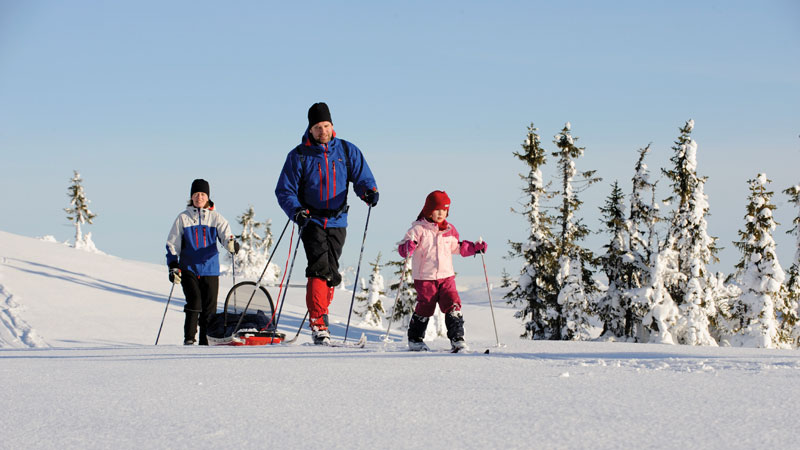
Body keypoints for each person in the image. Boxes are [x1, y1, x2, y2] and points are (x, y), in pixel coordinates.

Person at [275, 102, 379, 345]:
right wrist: (296, 211)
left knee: (331, 273)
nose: (322, 131)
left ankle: (322, 317)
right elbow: (284, 190)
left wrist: (368, 192)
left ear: (332, 126)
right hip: (311, 219)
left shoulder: (346, 150)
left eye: (326, 125)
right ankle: (318, 323)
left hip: (338, 219)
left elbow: (362, 177)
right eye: (317, 127)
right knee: (318, 267)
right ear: (310, 130)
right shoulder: (298, 155)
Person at [397, 190, 487, 351]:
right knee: (426, 307)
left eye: (445, 210)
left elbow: (458, 247)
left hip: (446, 277)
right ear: (428, 209)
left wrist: (475, 249)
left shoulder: (449, 230)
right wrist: (408, 247)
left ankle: (457, 338)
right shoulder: (418, 229)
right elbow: (403, 249)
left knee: (453, 304)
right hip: (425, 277)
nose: (441, 213)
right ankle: (415, 338)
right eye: (437, 209)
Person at [166, 178, 239, 345]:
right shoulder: (183, 218)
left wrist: (231, 244)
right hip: (188, 268)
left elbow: (226, 236)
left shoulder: (216, 218)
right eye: (196, 194)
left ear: (208, 197)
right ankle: (189, 339)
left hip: (210, 268)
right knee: (194, 302)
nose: (199, 197)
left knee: (209, 309)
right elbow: (172, 243)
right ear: (191, 197)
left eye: (203, 194)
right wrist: (173, 266)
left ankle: (205, 342)